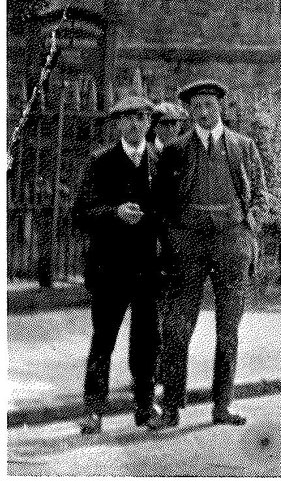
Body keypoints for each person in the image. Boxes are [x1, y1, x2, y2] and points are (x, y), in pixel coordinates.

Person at [150, 80, 267, 429]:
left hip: (231, 241)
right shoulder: (176, 151)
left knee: (228, 328)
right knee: (178, 327)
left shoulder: (243, 147)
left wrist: (250, 229)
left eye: (209, 104)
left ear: (220, 106)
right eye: (196, 106)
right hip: (189, 243)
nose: (203, 111)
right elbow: (161, 203)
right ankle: (171, 407)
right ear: (188, 110)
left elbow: (261, 194)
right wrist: (173, 238)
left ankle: (222, 406)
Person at [73, 96, 163, 434]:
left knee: (146, 340)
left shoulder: (159, 160)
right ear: (118, 124)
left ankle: (144, 405)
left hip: (148, 267)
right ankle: (94, 409)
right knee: (104, 338)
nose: (137, 124)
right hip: (110, 267)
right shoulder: (100, 162)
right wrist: (113, 212)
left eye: (143, 118)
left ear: (149, 122)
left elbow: (168, 212)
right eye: (129, 119)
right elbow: (79, 212)